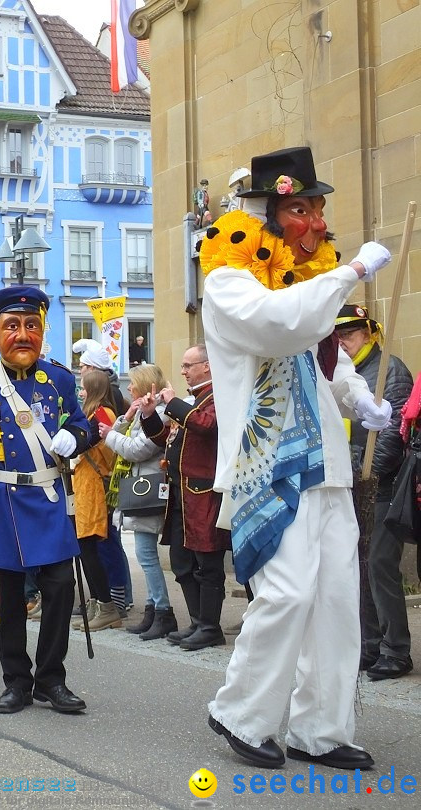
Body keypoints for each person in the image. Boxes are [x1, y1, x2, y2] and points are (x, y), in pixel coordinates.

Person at [201, 145, 393, 770]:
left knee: (337, 598)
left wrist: (364, 400)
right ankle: (241, 713)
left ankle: (322, 729)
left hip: (328, 468)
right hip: (268, 466)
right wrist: (349, 274)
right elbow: (279, 327)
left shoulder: (302, 285)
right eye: (299, 210)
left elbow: (321, 362)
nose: (315, 224)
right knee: (285, 594)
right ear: (266, 214)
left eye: (318, 210)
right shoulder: (230, 283)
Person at [0, 286, 93, 715]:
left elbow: (85, 426)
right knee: (8, 597)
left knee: (61, 589)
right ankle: (16, 681)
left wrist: (76, 436)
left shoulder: (61, 379)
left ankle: (51, 679)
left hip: (48, 499)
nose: (22, 334)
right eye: (12, 326)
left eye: (32, 326)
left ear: (42, 331)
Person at [334, 305, 414, 679]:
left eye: (349, 334)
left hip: (382, 486)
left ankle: (396, 651)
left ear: (368, 334)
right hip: (352, 483)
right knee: (359, 568)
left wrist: (371, 477)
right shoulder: (341, 373)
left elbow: (392, 434)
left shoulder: (388, 370)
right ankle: (369, 646)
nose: (343, 343)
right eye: (338, 336)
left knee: (380, 566)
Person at [139, 345, 229, 651]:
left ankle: (210, 626)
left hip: (202, 495)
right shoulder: (193, 401)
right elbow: (169, 439)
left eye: (189, 365)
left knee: (207, 562)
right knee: (182, 561)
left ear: (207, 366)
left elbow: (206, 426)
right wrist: (151, 416)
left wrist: (173, 402)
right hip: (180, 495)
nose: (183, 371)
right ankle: (196, 620)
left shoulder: (219, 396)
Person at [101, 363, 175, 640]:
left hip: (148, 490)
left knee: (145, 555)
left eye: (133, 384)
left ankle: (163, 610)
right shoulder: (145, 412)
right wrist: (126, 417)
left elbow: (137, 449)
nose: (129, 388)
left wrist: (110, 437)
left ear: (144, 386)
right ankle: (152, 610)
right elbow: (122, 431)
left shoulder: (160, 415)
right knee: (145, 556)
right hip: (140, 490)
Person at [69, 368, 120, 631]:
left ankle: (106, 605)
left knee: (89, 547)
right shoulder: (93, 412)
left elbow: (83, 442)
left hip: (93, 484)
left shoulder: (102, 413)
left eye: (84, 386)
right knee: (84, 548)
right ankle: (97, 601)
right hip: (84, 483)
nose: (80, 390)